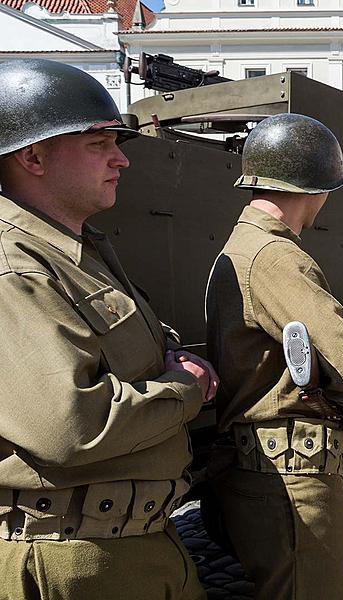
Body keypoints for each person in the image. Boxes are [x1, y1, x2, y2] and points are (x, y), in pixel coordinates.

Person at [0, 58, 216, 599]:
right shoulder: (16, 266)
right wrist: (185, 390)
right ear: (34, 156)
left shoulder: (77, 251)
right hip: (72, 561)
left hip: (129, 545)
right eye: (98, 144)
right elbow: (70, 427)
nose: (120, 159)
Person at [205, 113, 343, 598]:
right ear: (316, 188)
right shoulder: (276, 256)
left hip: (264, 467)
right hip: (295, 478)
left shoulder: (241, 246)